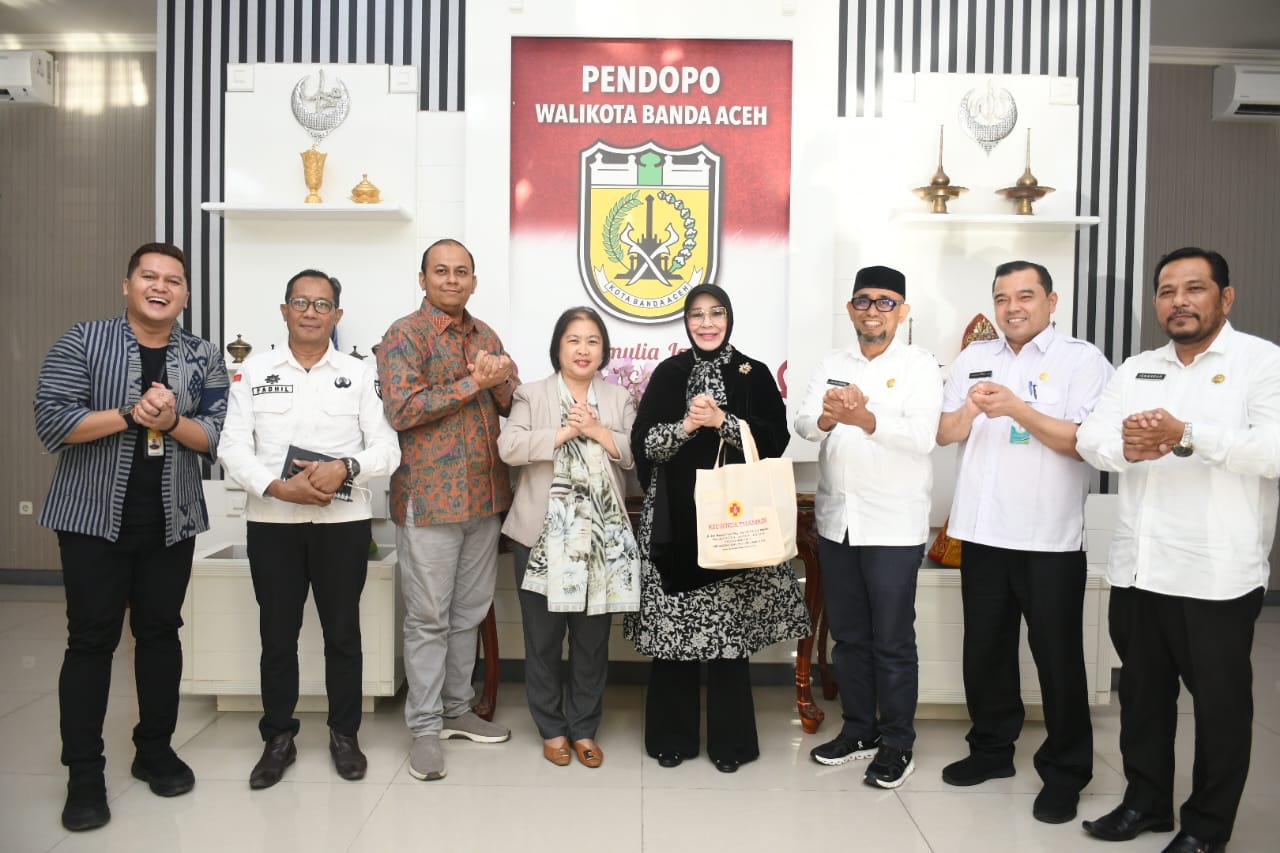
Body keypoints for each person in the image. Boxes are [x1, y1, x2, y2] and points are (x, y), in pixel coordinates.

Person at [1077, 248, 1280, 853]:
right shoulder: (1138, 367)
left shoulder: (1261, 362)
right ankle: (1145, 803)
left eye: (1195, 288)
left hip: (1216, 573)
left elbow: (1274, 450)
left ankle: (1206, 828)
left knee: (1220, 709)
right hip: (1139, 569)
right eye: (1167, 291)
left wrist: (1187, 435)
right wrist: (1127, 449)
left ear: (1226, 297)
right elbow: (1091, 438)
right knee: (1142, 699)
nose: (1179, 301)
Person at [33, 242, 228, 831]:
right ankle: (84, 774)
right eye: (149, 276)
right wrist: (130, 415)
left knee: (161, 634)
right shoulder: (83, 340)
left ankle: (154, 751)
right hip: (91, 520)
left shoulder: (203, 355)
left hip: (171, 521)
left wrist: (171, 421)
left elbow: (215, 435)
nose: (160, 287)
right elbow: (53, 420)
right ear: (128, 285)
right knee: (91, 641)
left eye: (173, 280)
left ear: (185, 294)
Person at [936, 260, 1113, 823]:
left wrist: (1016, 407)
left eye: (1025, 296)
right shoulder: (974, 357)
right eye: (1002, 298)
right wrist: (971, 407)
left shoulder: (1081, 361)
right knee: (985, 651)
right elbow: (944, 432)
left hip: (1049, 538)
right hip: (981, 531)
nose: (1012, 307)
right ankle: (991, 750)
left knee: (1058, 657)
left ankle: (1066, 771)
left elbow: (1083, 442)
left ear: (1051, 302)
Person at [219, 269, 401, 789]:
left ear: (337, 315)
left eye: (322, 305)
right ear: (284, 310)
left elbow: (387, 449)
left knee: (343, 634)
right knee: (277, 636)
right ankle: (278, 738)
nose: (311, 312)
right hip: (272, 523)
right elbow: (232, 445)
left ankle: (345, 735)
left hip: (341, 525)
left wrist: (345, 467)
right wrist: (277, 488)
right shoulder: (253, 372)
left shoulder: (359, 374)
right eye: (301, 302)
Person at [623, 283, 809, 773]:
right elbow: (644, 446)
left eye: (716, 313)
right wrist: (688, 425)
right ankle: (672, 739)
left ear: (729, 318)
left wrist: (724, 420)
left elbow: (773, 441)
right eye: (697, 315)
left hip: (734, 524)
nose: (707, 323)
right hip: (674, 524)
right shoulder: (669, 373)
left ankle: (732, 744)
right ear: (686, 322)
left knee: (729, 640)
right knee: (674, 638)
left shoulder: (753, 373)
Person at [793, 265, 942, 789]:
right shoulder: (833, 362)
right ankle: (859, 730)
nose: (872, 310)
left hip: (894, 526)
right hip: (839, 523)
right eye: (863, 301)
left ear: (902, 312)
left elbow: (924, 436)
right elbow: (804, 423)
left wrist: (867, 419)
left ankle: (897, 742)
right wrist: (829, 417)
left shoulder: (920, 366)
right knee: (849, 637)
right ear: (850, 309)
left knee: (893, 640)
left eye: (885, 302)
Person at [378, 238, 518, 781]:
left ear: (474, 281)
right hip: (430, 500)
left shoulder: (486, 335)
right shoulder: (404, 335)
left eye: (461, 272)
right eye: (441, 271)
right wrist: (472, 382)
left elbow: (510, 402)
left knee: (469, 613)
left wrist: (500, 379)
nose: (452, 280)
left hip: (485, 498)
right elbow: (402, 409)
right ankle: (424, 728)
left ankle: (457, 710)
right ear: (423, 279)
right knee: (429, 618)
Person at [497, 306, 640, 768]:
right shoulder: (531, 393)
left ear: (604, 350)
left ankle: (583, 728)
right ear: (558, 347)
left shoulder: (618, 397)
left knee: (591, 642)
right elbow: (509, 447)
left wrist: (597, 430)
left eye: (592, 340)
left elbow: (636, 456)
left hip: (600, 541)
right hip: (540, 537)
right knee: (542, 640)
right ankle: (551, 728)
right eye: (573, 340)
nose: (583, 349)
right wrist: (564, 432)